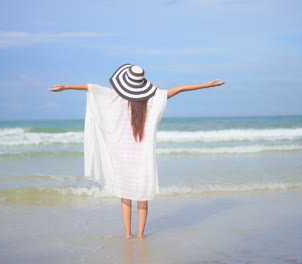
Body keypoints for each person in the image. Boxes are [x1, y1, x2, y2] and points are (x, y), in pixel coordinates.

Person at [48, 64, 225, 238]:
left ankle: (127, 234)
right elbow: (180, 89)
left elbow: (91, 87)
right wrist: (206, 85)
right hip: (143, 155)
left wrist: (67, 87)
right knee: (143, 195)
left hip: (122, 154)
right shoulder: (154, 99)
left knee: (125, 196)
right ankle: (140, 234)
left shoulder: (115, 97)